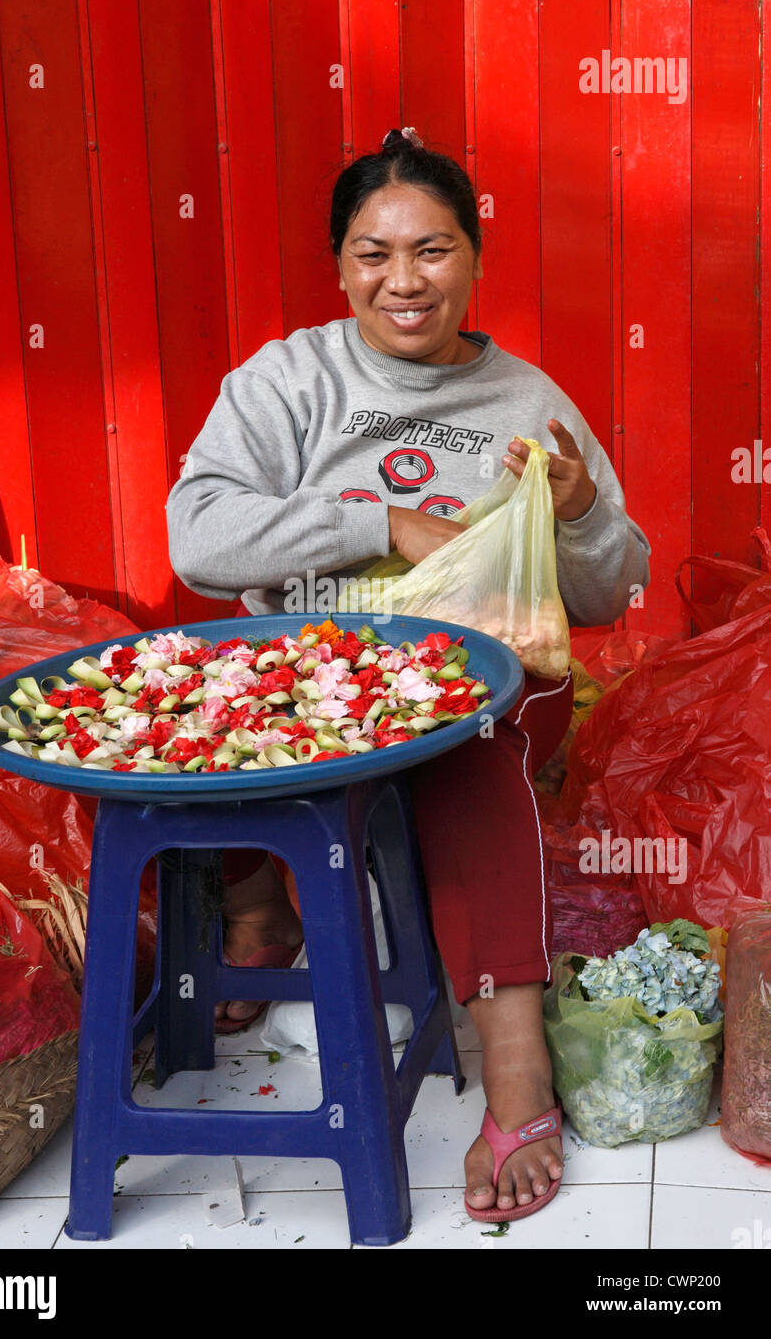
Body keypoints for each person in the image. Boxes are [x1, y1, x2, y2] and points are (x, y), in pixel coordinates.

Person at [165, 125, 651, 1221]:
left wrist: (576, 514)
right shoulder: (286, 379)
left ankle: (514, 1062)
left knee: (468, 738)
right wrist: (374, 518)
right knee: (197, 691)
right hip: (318, 670)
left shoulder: (527, 401)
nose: (403, 280)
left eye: (430, 251)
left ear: (473, 260)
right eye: (373, 253)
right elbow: (195, 537)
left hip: (482, 685)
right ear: (338, 266)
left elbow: (609, 593)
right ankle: (257, 908)